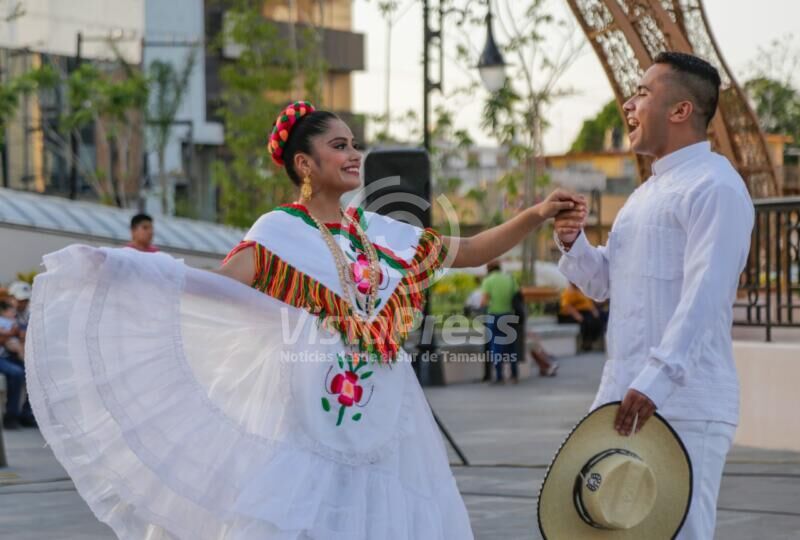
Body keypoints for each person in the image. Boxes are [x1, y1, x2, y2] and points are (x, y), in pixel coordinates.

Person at [26, 100, 583, 539]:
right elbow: (218, 287)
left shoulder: (381, 231)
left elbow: (470, 250)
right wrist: (133, 272)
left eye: (355, 144)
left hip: (390, 415)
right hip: (308, 411)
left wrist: (534, 214)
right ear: (304, 164)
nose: (354, 154)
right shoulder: (278, 231)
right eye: (339, 145)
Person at [553, 52, 754, 539]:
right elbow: (605, 284)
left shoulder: (716, 187)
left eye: (642, 92)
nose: (629, 103)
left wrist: (659, 376)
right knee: (603, 527)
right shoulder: (645, 195)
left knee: (676, 531)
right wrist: (572, 244)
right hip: (621, 394)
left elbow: (706, 292)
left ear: (681, 110)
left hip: (682, 401)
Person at [558, 281, 606, 350]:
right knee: (586, 322)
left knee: (597, 320)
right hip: (570, 315)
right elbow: (566, 306)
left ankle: (591, 340)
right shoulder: (568, 291)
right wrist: (577, 316)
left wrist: (594, 311)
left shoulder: (582, 290)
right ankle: (585, 342)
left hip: (584, 312)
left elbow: (589, 304)